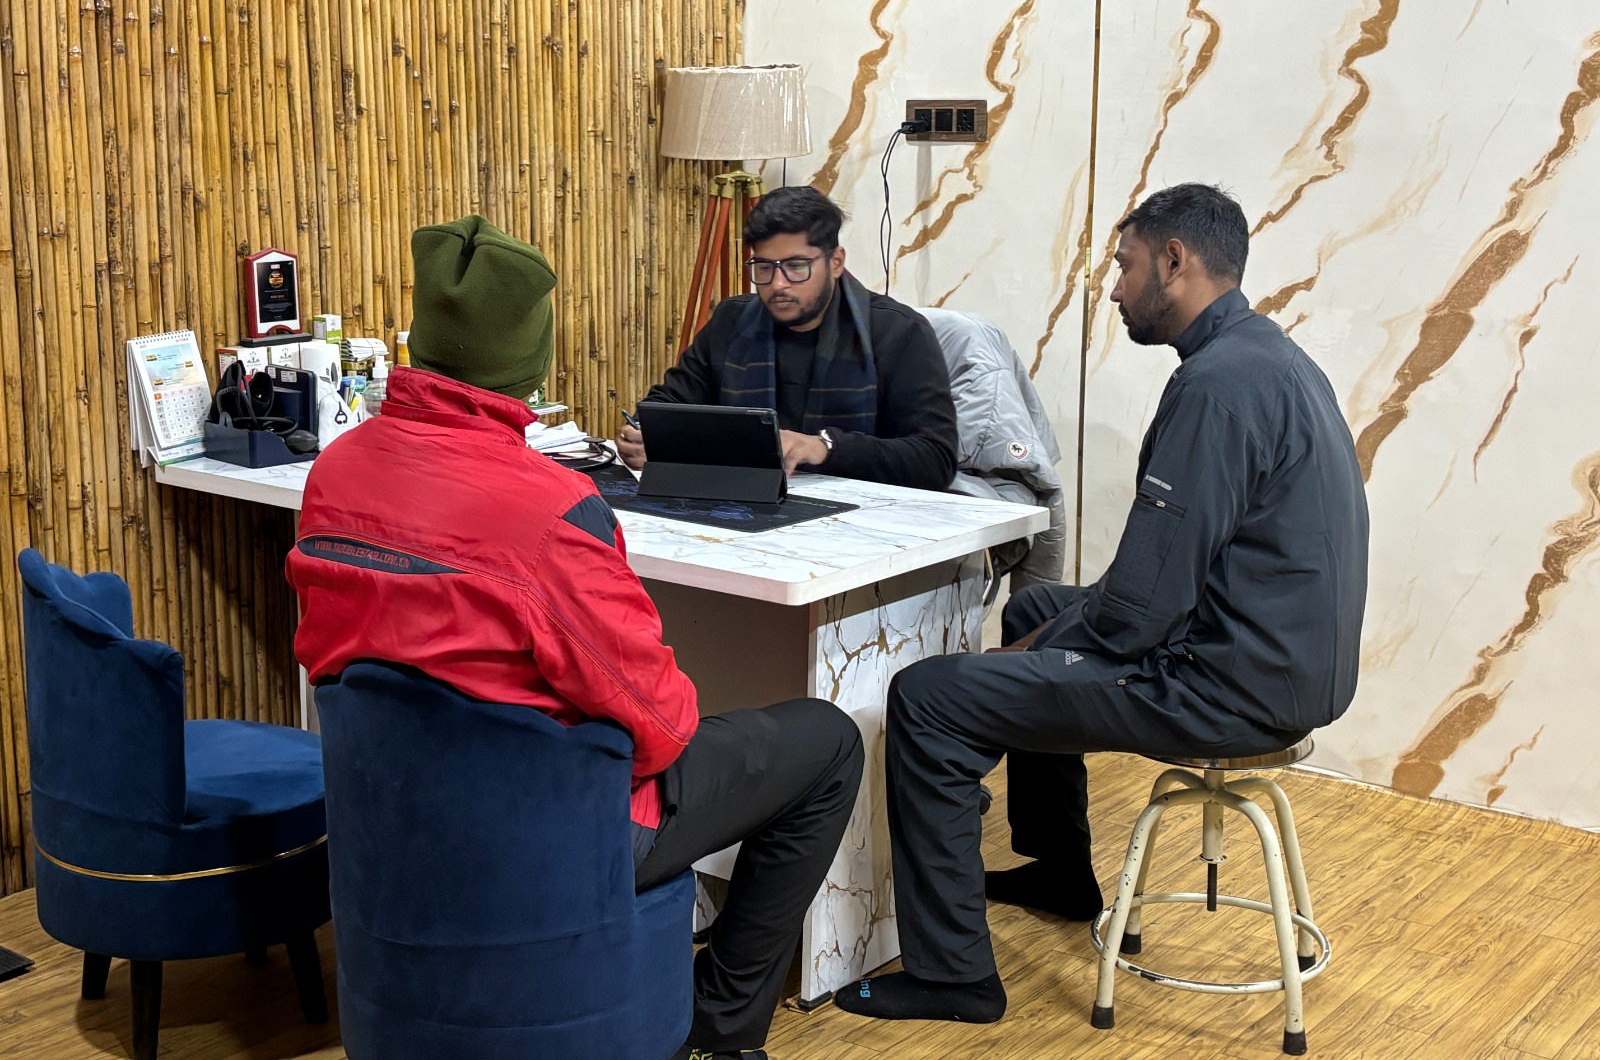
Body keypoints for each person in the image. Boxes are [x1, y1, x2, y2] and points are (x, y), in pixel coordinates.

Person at [287, 215, 865, 1060]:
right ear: (530, 361)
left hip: (395, 820)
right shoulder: (549, 509)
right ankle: (721, 1028)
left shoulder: (334, 472)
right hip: (559, 835)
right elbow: (662, 728)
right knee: (827, 742)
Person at [835, 183, 1370, 1024]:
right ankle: (1060, 871)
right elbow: (1151, 592)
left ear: (1174, 262)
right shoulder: (1275, 358)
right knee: (1031, 606)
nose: (1114, 288)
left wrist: (1021, 660)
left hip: (1227, 685)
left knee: (931, 696)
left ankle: (953, 978)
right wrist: (1041, 635)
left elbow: (1140, 611)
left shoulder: (1214, 389)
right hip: (1289, 662)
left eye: (1123, 267)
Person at [615, 185, 958, 490]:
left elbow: (934, 460)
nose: (778, 284)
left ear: (836, 262)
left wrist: (824, 448)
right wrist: (649, 435)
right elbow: (671, 404)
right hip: (745, 503)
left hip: (867, 525)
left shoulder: (897, 331)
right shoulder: (733, 321)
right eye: (764, 268)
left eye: (796, 266)